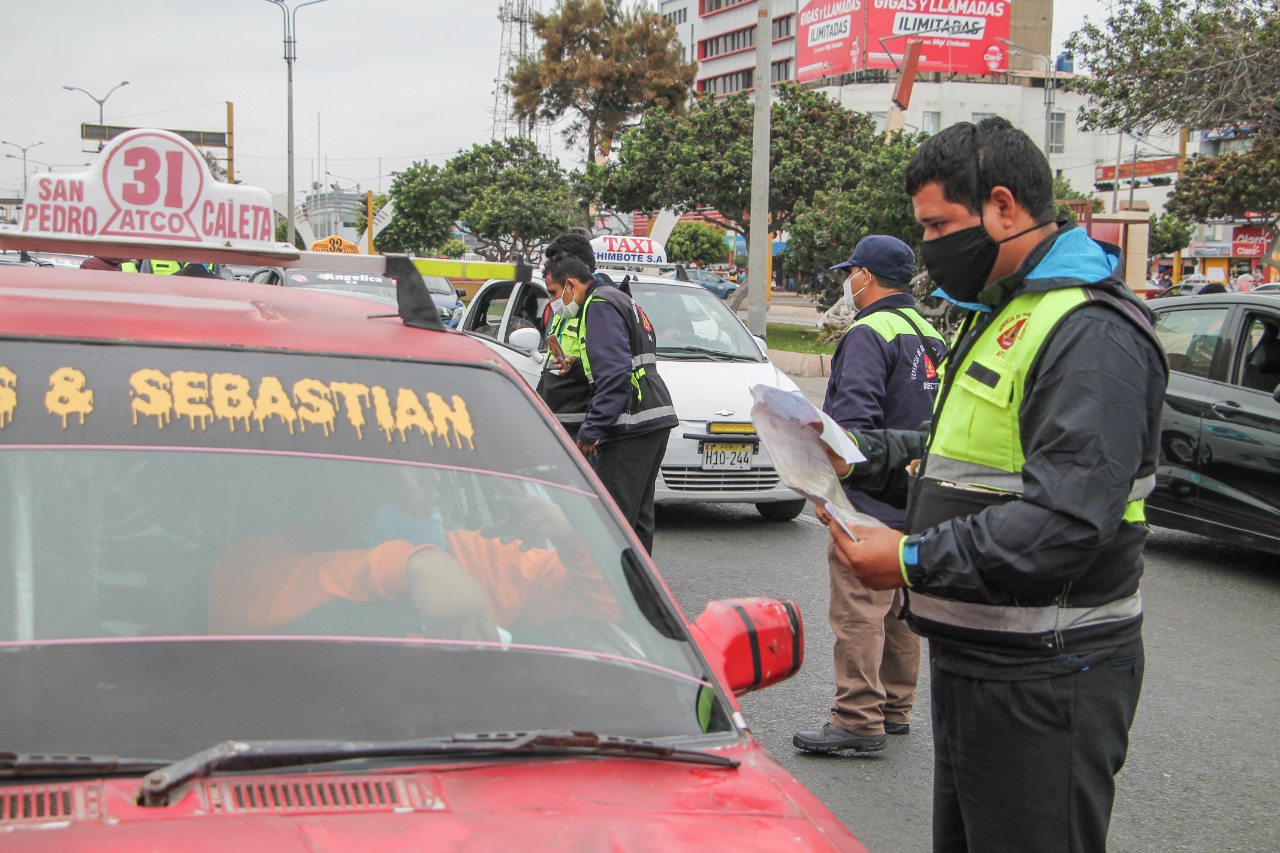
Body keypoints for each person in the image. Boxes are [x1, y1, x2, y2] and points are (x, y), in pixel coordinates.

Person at [825, 117, 1167, 852]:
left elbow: (1065, 520)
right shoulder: (1006, 310)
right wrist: (856, 455)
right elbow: (960, 461)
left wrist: (909, 558)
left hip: (1047, 675)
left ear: (1003, 207)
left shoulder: (1089, 331)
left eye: (938, 226)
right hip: (980, 660)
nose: (928, 247)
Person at [793, 235, 946, 755]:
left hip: (870, 495)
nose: (848, 282)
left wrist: (830, 493)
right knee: (901, 603)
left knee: (858, 606)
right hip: (918, 491)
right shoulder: (930, 332)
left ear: (866, 276)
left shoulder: (868, 332)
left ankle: (857, 717)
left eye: (851, 273)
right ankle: (895, 708)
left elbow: (852, 429)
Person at [208, 465, 619, 638]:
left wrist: (571, 536)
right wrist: (412, 565)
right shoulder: (267, 558)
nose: (435, 477)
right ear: (349, 489)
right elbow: (239, 599)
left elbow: (611, 608)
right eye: (410, 466)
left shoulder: (480, 556)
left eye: (434, 463)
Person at [543, 249, 678, 554]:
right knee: (637, 519)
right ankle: (640, 581)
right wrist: (577, 367)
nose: (553, 301)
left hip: (631, 422)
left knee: (611, 523)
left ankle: (613, 582)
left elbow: (616, 377)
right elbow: (624, 361)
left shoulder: (599, 305)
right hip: (652, 417)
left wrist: (591, 429)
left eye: (553, 292)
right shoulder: (620, 299)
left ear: (571, 284)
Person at [536, 234, 597, 440]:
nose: (553, 268)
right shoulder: (564, 302)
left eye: (558, 262)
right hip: (556, 417)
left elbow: (605, 371)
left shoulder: (598, 304)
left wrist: (594, 427)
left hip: (580, 422)